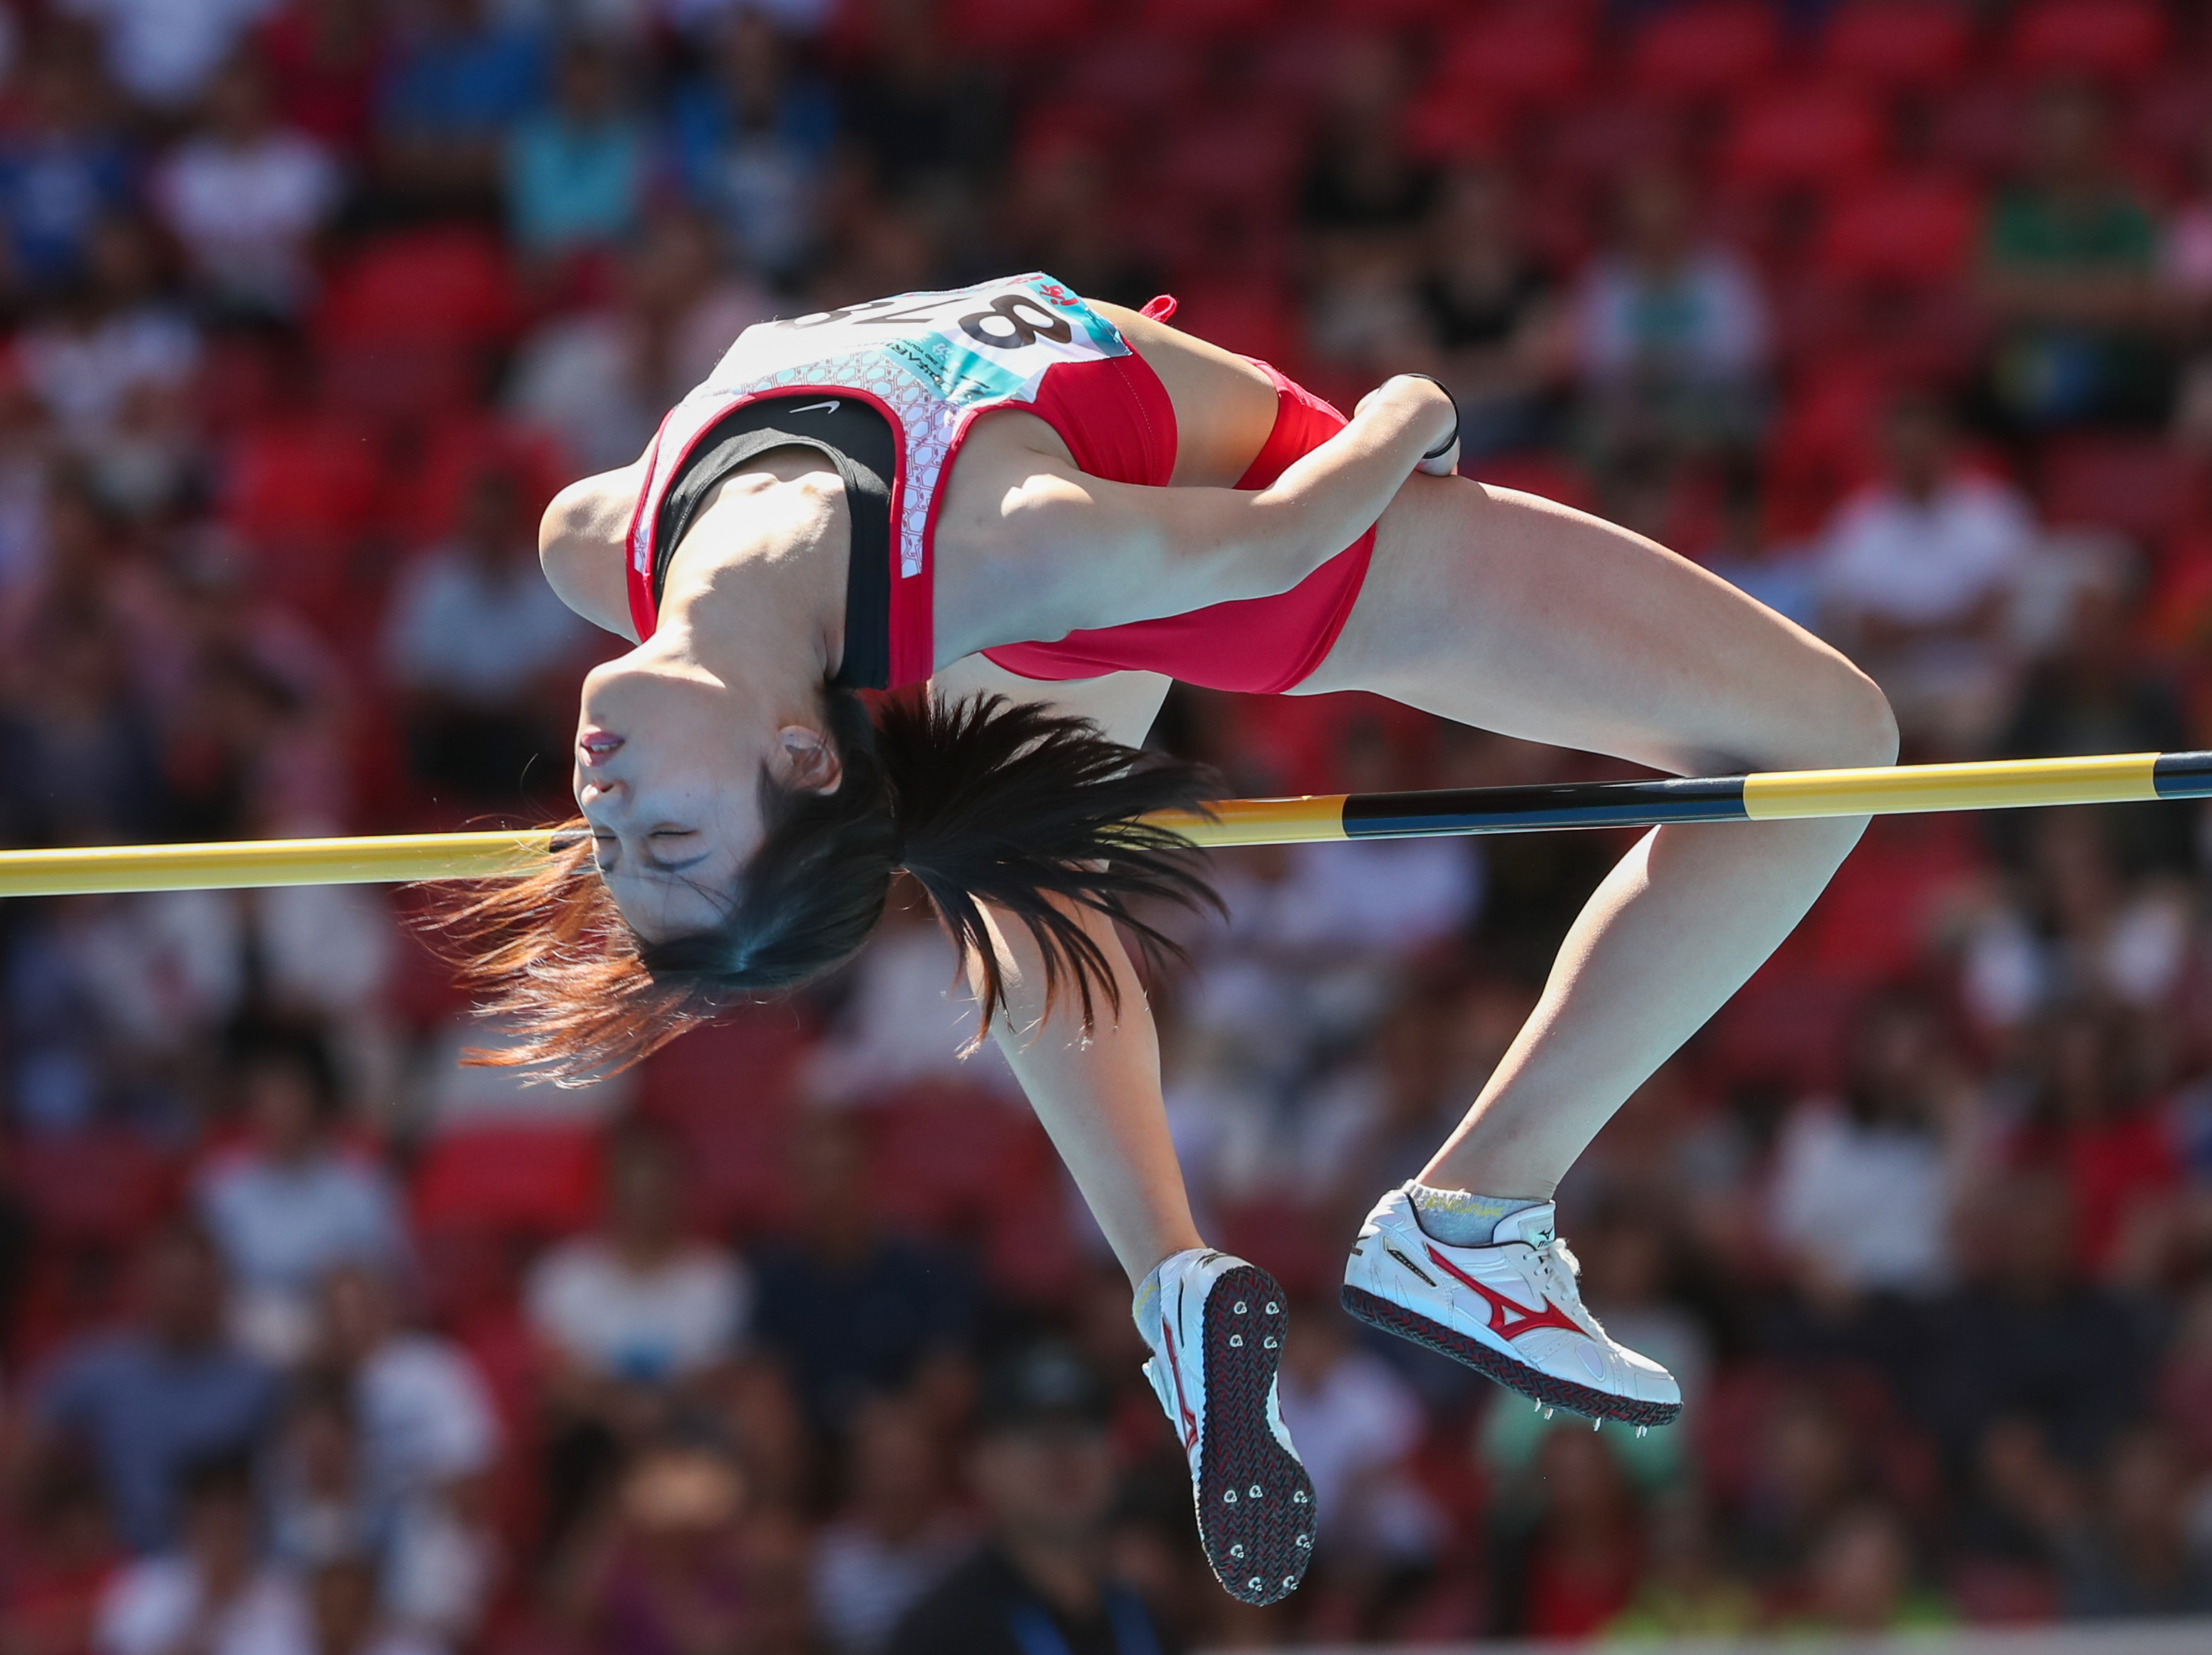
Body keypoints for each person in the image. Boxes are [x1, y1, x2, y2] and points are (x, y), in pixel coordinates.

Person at [442, 269, 1897, 1604]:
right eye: (674, 841)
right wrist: (1417, 412)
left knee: (1028, 881)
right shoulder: (1008, 544)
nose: (607, 807)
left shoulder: (600, 542)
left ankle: (1173, 1285)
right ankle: (1480, 1208)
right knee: (1833, 738)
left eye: (620, 849)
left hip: (1074, 569)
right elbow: (1277, 539)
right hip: (1241, 534)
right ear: (802, 756)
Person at [885, 1341, 1179, 1655]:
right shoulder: (940, 1636)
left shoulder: (1149, 1621)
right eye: (1031, 1433)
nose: (1062, 1456)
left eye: (1083, 1429)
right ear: (979, 1461)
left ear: (1118, 1454)